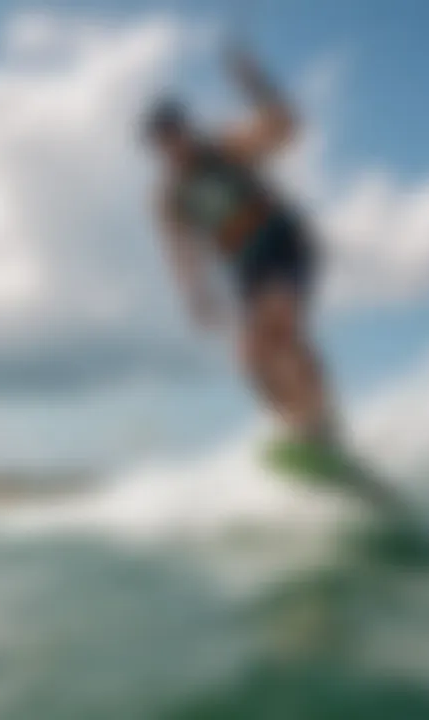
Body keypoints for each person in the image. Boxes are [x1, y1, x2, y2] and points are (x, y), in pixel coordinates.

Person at [145, 46, 334, 445]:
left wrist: (252, 80)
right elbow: (181, 252)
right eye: (163, 143)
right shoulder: (170, 197)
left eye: (176, 135)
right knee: (251, 360)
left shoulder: (226, 149)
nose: (173, 147)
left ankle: (320, 419)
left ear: (186, 130)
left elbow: (285, 126)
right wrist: (195, 295)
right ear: (156, 149)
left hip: (284, 245)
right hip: (247, 268)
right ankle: (299, 429)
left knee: (281, 322)